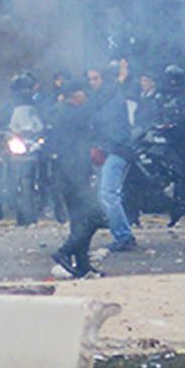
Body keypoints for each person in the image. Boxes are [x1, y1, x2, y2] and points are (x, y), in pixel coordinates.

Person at [47, 86, 104, 278]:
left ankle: (82, 264)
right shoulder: (69, 114)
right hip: (73, 175)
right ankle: (64, 251)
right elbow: (92, 110)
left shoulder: (64, 112)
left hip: (71, 174)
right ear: (75, 96)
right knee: (96, 215)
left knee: (79, 221)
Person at [93, 63, 137, 251]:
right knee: (106, 194)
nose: (92, 83)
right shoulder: (107, 97)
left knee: (108, 194)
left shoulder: (112, 98)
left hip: (118, 150)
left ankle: (123, 236)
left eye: (95, 78)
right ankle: (122, 233)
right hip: (112, 150)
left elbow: (104, 120)